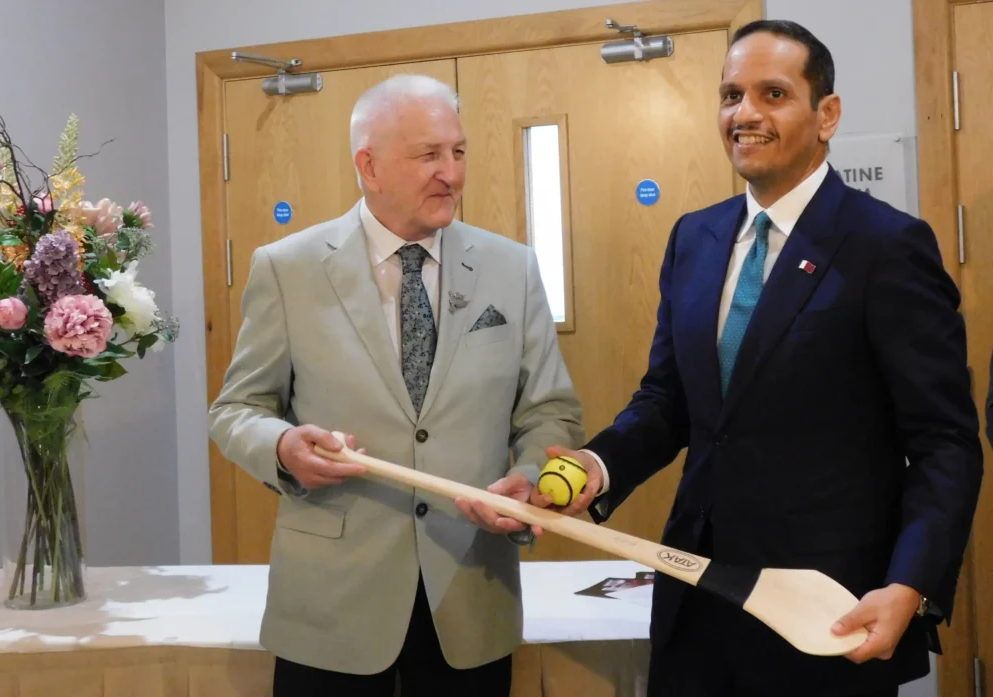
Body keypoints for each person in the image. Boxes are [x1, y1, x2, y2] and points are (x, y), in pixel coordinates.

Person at [537, 20, 983, 697]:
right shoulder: (696, 237)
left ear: (825, 114)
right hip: (696, 602)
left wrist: (910, 582)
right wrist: (592, 468)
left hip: (823, 612)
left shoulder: (884, 246)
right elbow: (667, 402)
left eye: (772, 94)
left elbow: (945, 440)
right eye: (730, 95)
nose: (743, 114)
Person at [208, 74, 583, 697]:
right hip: (331, 607)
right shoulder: (287, 269)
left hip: (470, 596)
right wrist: (281, 447)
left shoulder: (510, 267)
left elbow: (549, 411)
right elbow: (237, 410)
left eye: (458, 152)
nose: (451, 174)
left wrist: (531, 475)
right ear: (369, 166)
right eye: (428, 155)